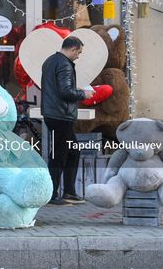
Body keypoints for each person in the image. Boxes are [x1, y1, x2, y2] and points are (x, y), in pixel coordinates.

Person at [40, 36, 94, 205]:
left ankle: (68, 191)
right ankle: (52, 194)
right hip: (60, 115)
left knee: (72, 152)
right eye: (79, 52)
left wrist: (73, 89)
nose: (78, 56)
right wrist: (83, 94)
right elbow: (65, 92)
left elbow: (58, 87)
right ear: (72, 49)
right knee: (59, 155)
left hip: (54, 114)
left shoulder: (50, 61)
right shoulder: (64, 64)